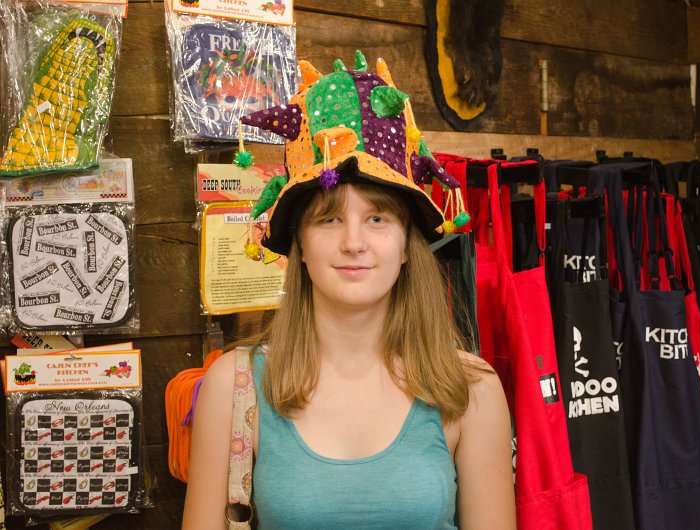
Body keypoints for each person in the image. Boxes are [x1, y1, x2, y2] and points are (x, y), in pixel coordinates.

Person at [182, 52, 516, 529]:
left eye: (377, 219)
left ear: (405, 245)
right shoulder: (234, 390)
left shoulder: (471, 390)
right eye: (329, 219)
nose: (354, 242)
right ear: (298, 243)